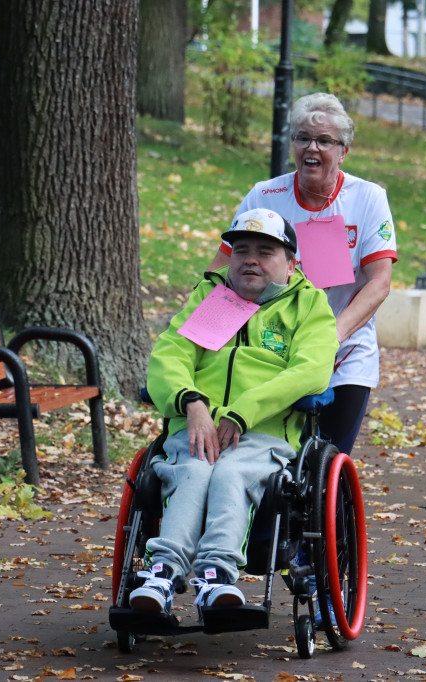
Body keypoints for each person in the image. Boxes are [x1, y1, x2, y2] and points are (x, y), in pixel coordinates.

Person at [130, 208, 339, 619]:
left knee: (229, 472)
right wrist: (191, 402)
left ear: (290, 263)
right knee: (192, 470)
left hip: (262, 433)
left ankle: (214, 577)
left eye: (265, 251)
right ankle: (160, 574)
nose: (250, 259)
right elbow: (168, 356)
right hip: (196, 427)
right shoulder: (212, 299)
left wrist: (244, 411)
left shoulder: (307, 305)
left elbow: (311, 370)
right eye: (241, 250)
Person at [207, 92, 397, 456]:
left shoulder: (368, 198)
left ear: (343, 151)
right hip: (268, 351)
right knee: (265, 453)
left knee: (325, 460)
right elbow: (222, 270)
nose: (313, 147)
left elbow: (380, 282)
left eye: (325, 140)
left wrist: (330, 337)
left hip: (344, 351)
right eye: (302, 138)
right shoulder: (265, 194)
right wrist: (205, 331)